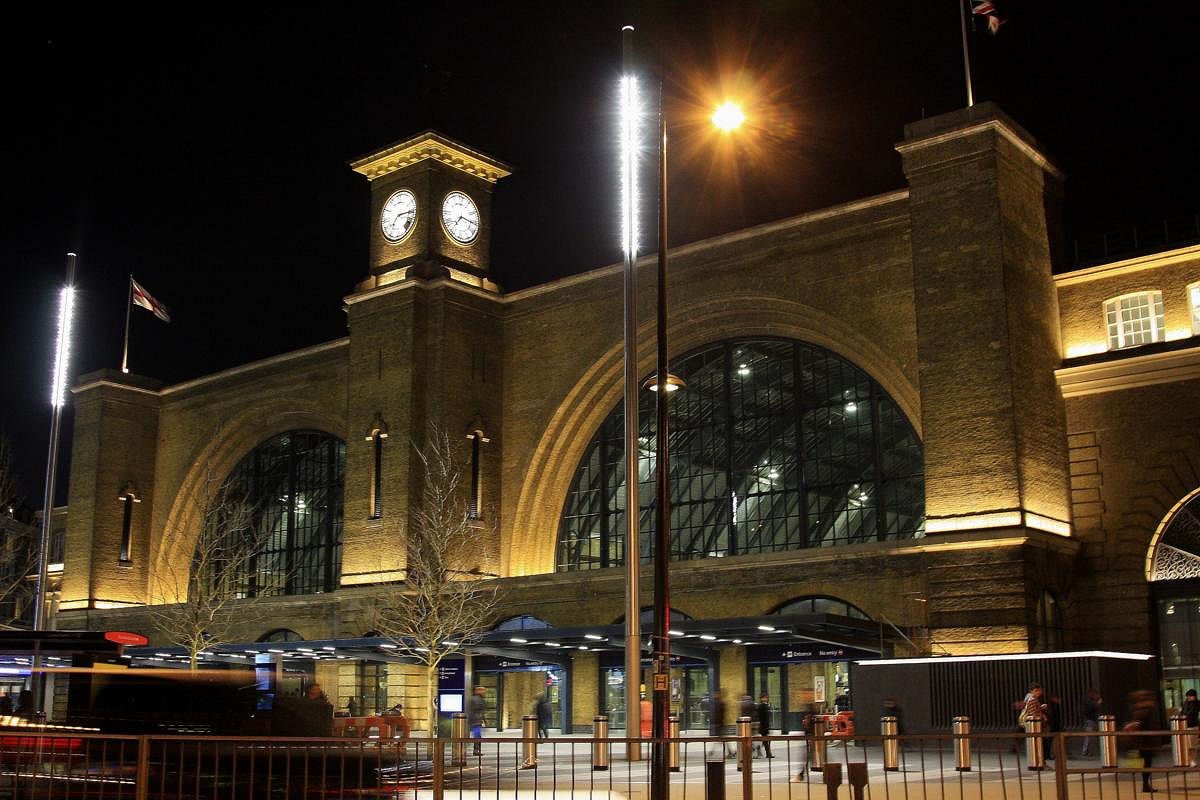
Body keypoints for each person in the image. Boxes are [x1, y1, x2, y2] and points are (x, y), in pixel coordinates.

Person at [1127, 689, 1165, 793]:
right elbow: (1138, 724)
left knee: (1147, 763)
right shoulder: (1144, 710)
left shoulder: (1142, 709)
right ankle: (1145, 785)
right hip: (1145, 742)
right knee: (1147, 764)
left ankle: (1146, 785)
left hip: (1144, 741)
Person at [1081, 689, 1102, 757]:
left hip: (1090, 720)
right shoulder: (1089, 701)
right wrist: (1097, 704)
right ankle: (1086, 751)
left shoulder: (1088, 701)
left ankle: (1088, 751)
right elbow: (1091, 709)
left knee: (1090, 736)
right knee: (1089, 736)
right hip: (1090, 720)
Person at [1181, 689, 1199, 767]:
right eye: (1188, 696)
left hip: (1193, 726)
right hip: (1185, 726)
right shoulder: (1186, 702)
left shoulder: (1196, 703)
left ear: (1194, 696)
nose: (1188, 698)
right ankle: (1188, 761)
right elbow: (1182, 712)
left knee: (1192, 745)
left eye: (1190, 696)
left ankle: (1193, 761)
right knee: (1187, 745)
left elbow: (1192, 713)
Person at [467, 686, 487, 756]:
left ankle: (476, 750)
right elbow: (476, 711)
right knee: (477, 736)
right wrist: (480, 719)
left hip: (476, 721)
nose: (484, 692)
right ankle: (476, 750)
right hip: (476, 721)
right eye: (482, 690)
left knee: (478, 736)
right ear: (477, 691)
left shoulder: (477, 698)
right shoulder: (477, 699)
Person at [756, 693, 774, 758]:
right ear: (761, 698)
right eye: (764, 698)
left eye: (766, 697)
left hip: (764, 726)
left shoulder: (765, 706)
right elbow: (763, 717)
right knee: (765, 741)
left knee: (765, 741)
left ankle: (767, 753)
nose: (766, 699)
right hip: (763, 726)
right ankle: (768, 754)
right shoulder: (762, 706)